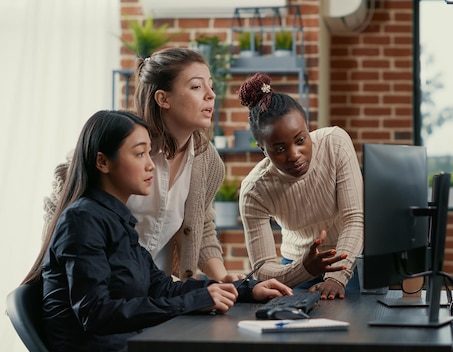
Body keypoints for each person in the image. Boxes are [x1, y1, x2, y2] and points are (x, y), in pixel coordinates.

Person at [21, 110, 291, 351]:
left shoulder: (117, 220)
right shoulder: (81, 220)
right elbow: (96, 313)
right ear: (102, 162)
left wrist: (245, 289)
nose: (150, 164)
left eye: (149, 153)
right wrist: (195, 301)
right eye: (139, 154)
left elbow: (161, 287)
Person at [42, 48, 242, 283]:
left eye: (210, 86)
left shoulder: (208, 162)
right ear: (163, 99)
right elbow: (62, 211)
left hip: (152, 296)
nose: (210, 95)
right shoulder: (118, 144)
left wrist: (224, 277)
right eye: (197, 87)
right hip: (96, 293)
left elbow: (201, 224)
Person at [237, 73, 364, 300]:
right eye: (279, 149)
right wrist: (305, 269)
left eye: (300, 140)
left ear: (308, 128)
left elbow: (354, 218)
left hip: (346, 259)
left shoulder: (335, 144)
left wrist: (335, 278)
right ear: (262, 149)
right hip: (294, 268)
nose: (294, 155)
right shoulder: (254, 190)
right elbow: (263, 269)